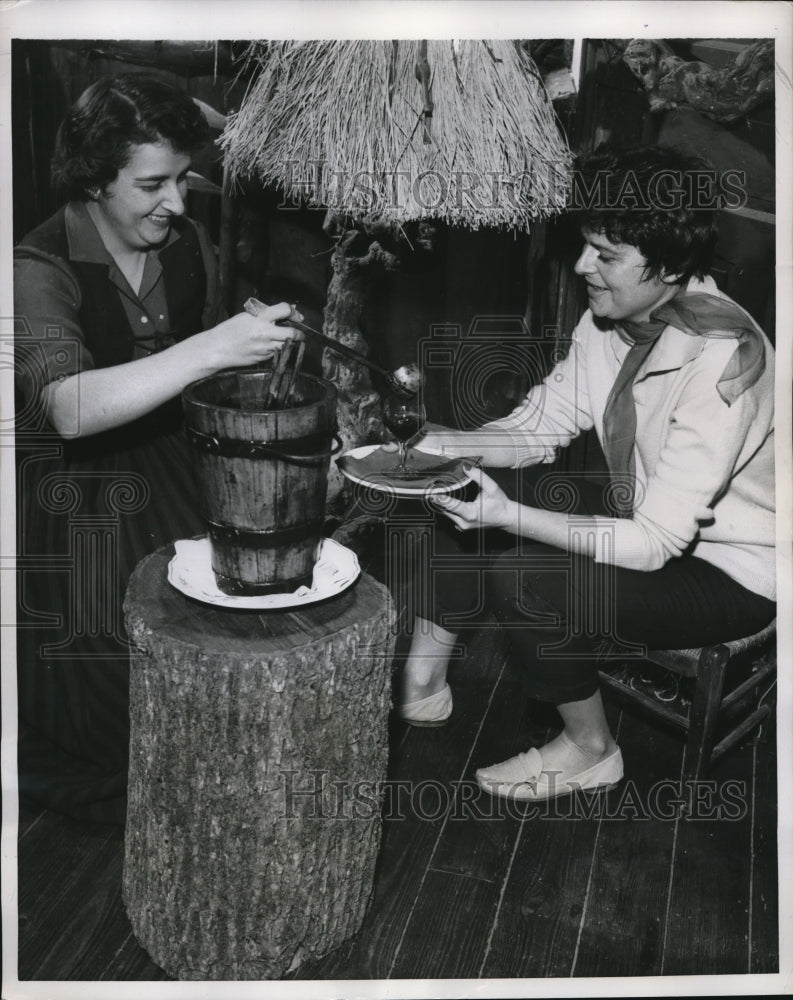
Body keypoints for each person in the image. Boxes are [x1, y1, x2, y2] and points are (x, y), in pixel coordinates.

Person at [397, 145, 775, 802]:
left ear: (671, 265)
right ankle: (424, 674)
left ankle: (589, 749)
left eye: (605, 255)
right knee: (453, 473)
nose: (580, 267)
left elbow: (655, 544)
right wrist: (441, 443)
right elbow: (540, 426)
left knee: (524, 577)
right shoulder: (615, 320)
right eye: (584, 246)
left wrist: (509, 517)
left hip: (732, 572)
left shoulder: (723, 358)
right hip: (650, 519)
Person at [14, 73, 300, 823]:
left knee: (239, 605)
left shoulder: (187, 244)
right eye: (151, 185)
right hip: (72, 491)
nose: (175, 202)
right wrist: (212, 347)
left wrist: (258, 357)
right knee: (119, 671)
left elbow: (198, 378)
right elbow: (70, 410)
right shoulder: (33, 270)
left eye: (181, 178)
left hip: (174, 460)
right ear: (94, 182)